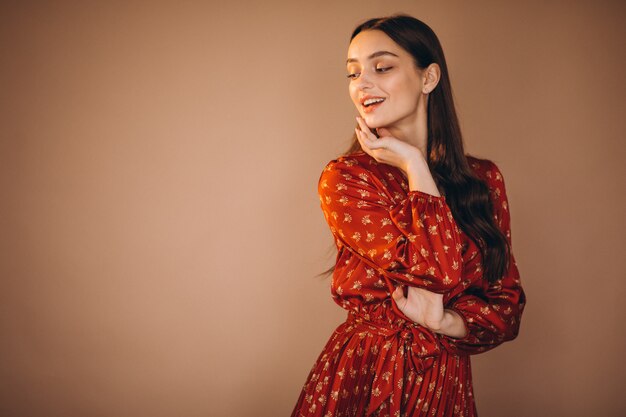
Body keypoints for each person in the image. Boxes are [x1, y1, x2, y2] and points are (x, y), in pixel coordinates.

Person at [290, 14, 526, 417]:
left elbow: (506, 308)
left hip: (446, 378)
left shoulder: (482, 179)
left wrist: (446, 320)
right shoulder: (347, 178)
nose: (362, 84)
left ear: (429, 77)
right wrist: (415, 165)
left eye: (382, 67)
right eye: (353, 73)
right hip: (366, 372)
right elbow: (433, 271)